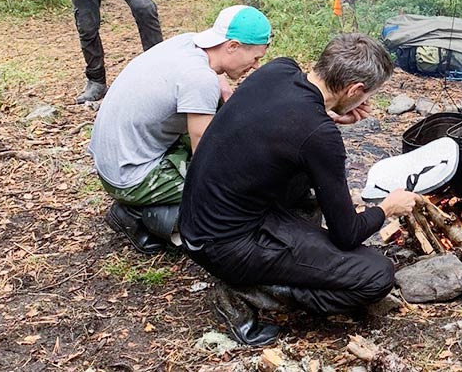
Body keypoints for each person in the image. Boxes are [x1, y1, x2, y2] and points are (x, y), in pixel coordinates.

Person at [179, 33, 420, 345]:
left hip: (197, 219)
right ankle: (253, 292)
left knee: (306, 183)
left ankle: (269, 268)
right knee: (376, 275)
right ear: (355, 90)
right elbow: (346, 235)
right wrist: (387, 208)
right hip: (225, 244)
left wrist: (329, 117)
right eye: (366, 95)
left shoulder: (278, 70)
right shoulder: (317, 134)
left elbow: (280, 126)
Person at [89, 5, 272, 255]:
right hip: (129, 177)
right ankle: (145, 217)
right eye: (255, 58)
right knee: (233, 190)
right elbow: (205, 163)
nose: (255, 66)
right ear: (232, 46)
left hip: (111, 156)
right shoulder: (200, 79)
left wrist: (224, 88)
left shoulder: (188, 43)